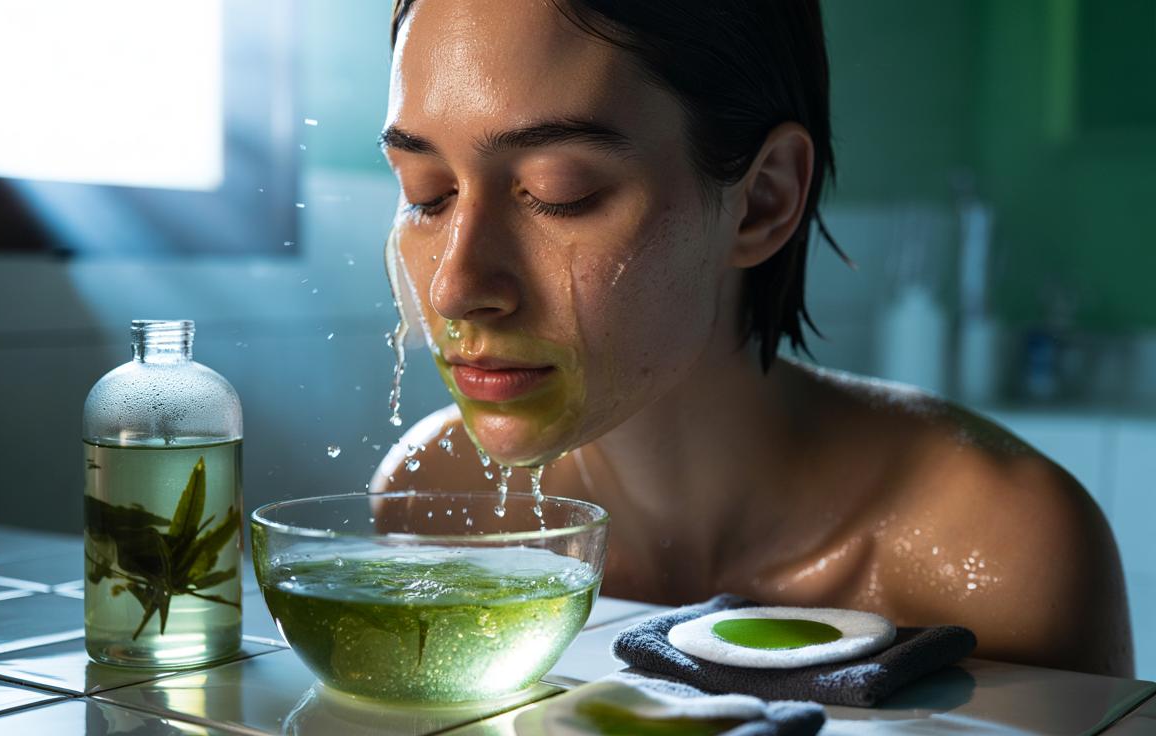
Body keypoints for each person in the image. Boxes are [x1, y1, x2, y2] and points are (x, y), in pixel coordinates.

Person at [371, 0, 1133, 677]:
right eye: (425, 196)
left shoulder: (1005, 553)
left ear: (764, 200)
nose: (455, 288)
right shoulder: (434, 503)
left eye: (556, 192)